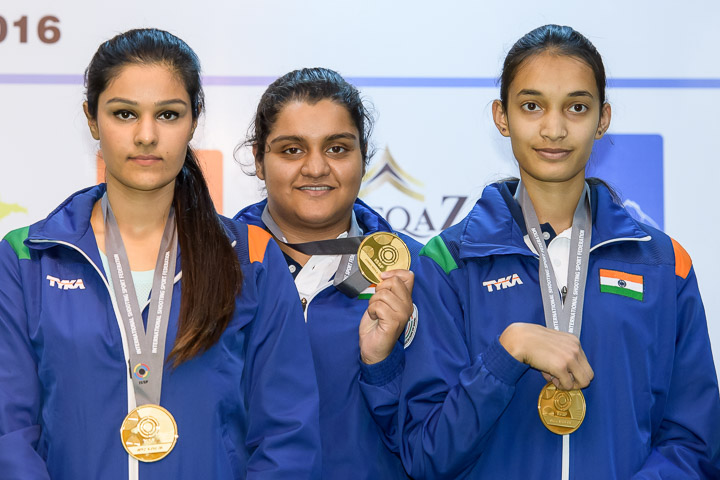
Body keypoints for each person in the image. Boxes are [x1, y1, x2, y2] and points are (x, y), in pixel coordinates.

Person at [400, 24, 720, 479]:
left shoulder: (664, 265)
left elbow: (694, 442)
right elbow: (426, 455)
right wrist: (505, 354)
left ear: (602, 118)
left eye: (576, 107)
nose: (554, 128)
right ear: (501, 116)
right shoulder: (448, 263)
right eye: (532, 106)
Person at [0, 28, 321, 479]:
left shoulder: (250, 258)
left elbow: (287, 437)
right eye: (125, 114)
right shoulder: (28, 259)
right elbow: (9, 434)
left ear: (194, 120)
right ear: (92, 119)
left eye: (168, 115)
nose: (147, 135)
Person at [234, 67, 419, 479]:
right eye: (291, 150)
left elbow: (432, 445)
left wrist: (383, 366)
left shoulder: (416, 271)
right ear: (259, 160)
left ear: (364, 156)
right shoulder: (209, 268)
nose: (316, 168)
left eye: (336, 148)